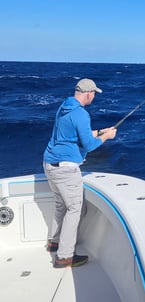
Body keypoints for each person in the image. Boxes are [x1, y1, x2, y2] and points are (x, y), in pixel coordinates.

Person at [43, 78, 117, 268]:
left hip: (49, 164)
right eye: (94, 94)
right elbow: (89, 145)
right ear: (88, 93)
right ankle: (65, 256)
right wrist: (106, 137)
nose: (94, 97)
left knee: (61, 205)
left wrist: (101, 131)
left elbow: (75, 134)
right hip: (66, 169)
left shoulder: (64, 107)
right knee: (74, 209)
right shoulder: (81, 114)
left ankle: (54, 242)